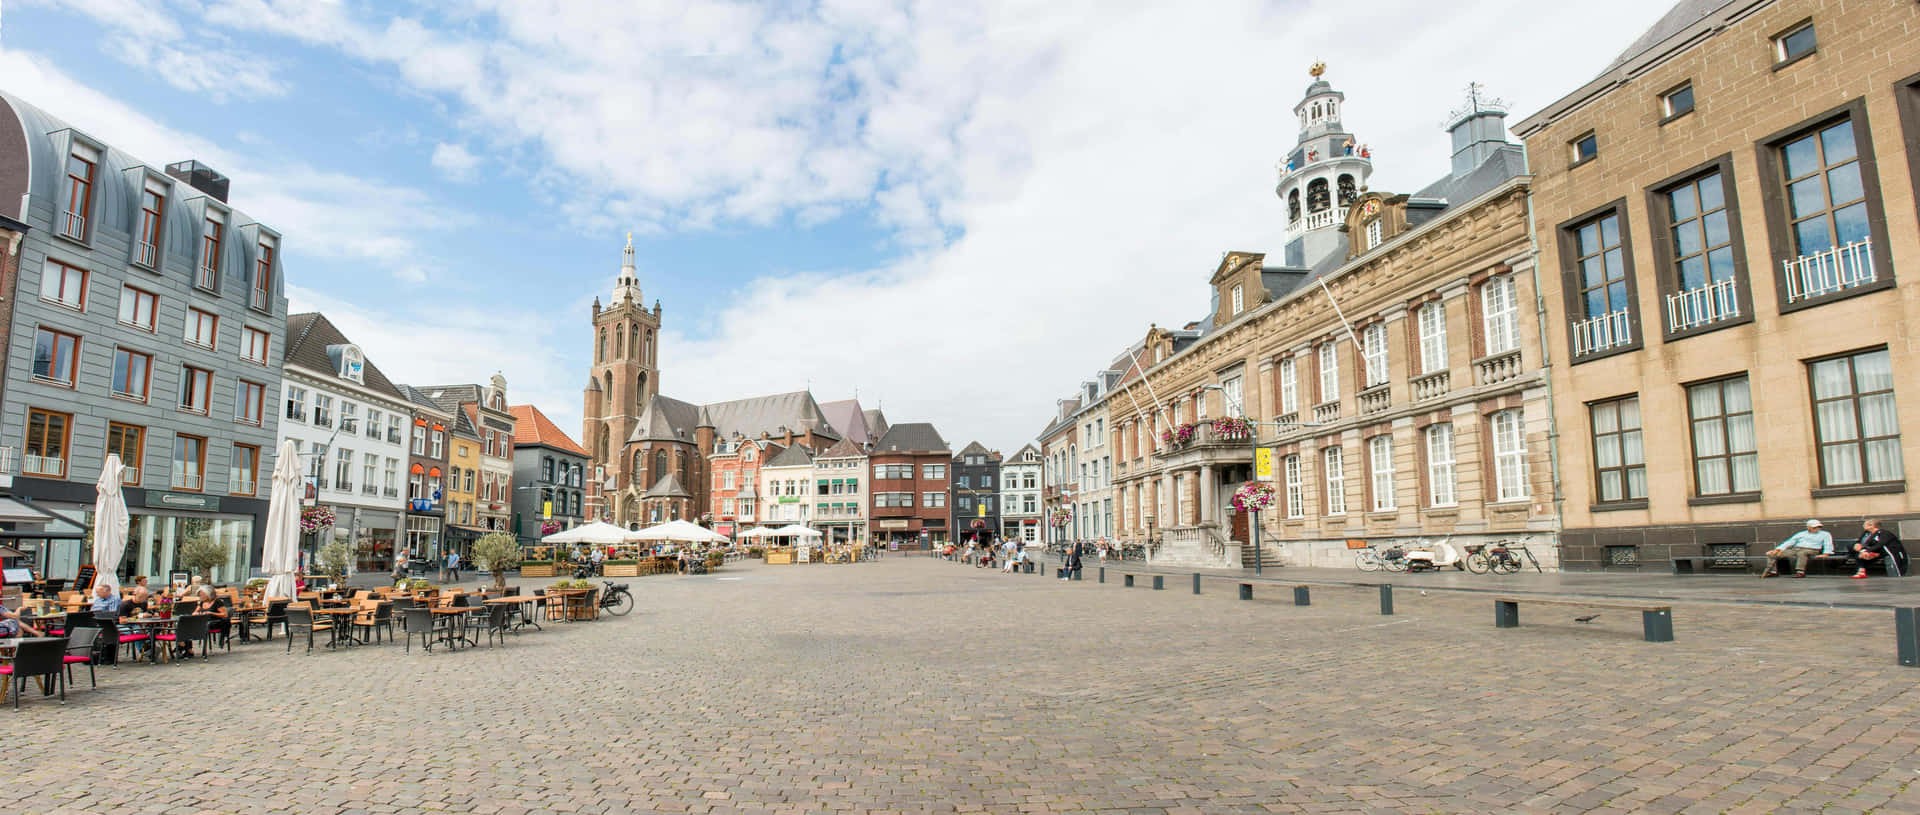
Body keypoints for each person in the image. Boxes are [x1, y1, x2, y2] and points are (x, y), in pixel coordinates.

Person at [1763, 519, 1833, 578]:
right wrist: (1778, 549)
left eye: (1819, 527)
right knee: (1772, 554)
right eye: (1815, 527)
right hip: (1796, 549)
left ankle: (1800, 572)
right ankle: (1772, 571)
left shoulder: (1825, 534)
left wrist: (1826, 553)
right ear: (1808, 527)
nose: (1817, 529)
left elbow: (1828, 543)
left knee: (1802, 553)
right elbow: (1790, 541)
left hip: (1812, 549)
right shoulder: (1801, 534)